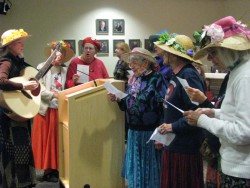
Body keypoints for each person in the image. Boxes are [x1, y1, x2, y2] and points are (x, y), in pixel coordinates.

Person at [184, 16, 250, 187]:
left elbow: (244, 132)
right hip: (236, 166)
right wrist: (214, 112)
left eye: (213, 53)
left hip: (242, 171)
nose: (210, 59)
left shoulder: (244, 76)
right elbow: (237, 113)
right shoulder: (238, 72)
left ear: (228, 50)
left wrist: (204, 121)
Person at [107, 48, 167, 188]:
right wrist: (118, 99)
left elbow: (163, 107)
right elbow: (130, 104)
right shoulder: (135, 80)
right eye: (130, 63)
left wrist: (160, 134)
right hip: (134, 132)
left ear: (145, 62)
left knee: (150, 171)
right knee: (136, 171)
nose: (131, 66)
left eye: (134, 62)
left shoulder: (156, 78)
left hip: (149, 133)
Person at [154, 32, 206, 188]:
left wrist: (172, 127)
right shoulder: (177, 74)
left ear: (175, 55)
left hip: (185, 147)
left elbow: (197, 112)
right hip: (174, 143)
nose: (162, 54)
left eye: (166, 51)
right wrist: (163, 134)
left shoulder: (188, 75)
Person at [31, 40, 74, 183]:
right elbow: (37, 88)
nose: (58, 57)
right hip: (45, 109)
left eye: (61, 55)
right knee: (45, 141)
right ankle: (47, 169)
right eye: (56, 54)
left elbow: (67, 89)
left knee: (56, 142)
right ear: (51, 53)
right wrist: (54, 95)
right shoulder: (41, 68)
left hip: (59, 109)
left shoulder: (65, 70)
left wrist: (72, 82)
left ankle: (54, 169)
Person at [0, 29, 38, 187]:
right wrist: (22, 85)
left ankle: (23, 182)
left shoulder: (18, 60)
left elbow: (36, 74)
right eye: (19, 42)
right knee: (13, 149)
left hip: (16, 113)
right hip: (8, 115)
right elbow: (1, 81)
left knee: (22, 147)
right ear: (10, 45)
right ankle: (14, 183)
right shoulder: (6, 61)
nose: (22, 45)